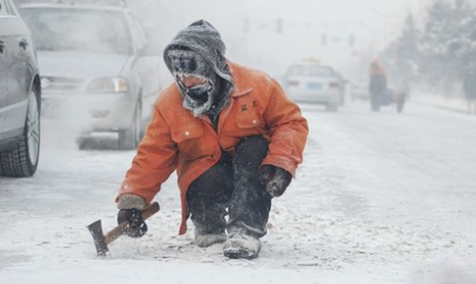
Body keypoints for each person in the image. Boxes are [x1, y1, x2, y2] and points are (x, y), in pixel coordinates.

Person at [114, 20, 309, 259]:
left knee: (254, 146)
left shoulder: (258, 86)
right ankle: (209, 227)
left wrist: (281, 162)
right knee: (201, 169)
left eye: (194, 76)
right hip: (205, 177)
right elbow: (153, 154)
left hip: (250, 173)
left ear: (214, 67)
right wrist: (133, 201)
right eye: (181, 76)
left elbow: (291, 122)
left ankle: (245, 232)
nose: (186, 82)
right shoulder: (169, 103)